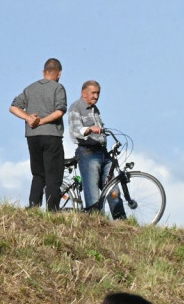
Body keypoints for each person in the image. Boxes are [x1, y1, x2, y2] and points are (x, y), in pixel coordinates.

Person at [9, 58, 67, 211]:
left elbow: (13, 107)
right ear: (59, 73)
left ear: (43, 72)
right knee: (53, 175)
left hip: (32, 136)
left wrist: (29, 118)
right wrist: (42, 121)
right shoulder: (58, 88)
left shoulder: (30, 88)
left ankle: (33, 206)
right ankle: (52, 210)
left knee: (38, 173)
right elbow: (60, 111)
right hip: (51, 135)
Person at [68, 80, 119, 213]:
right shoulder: (75, 107)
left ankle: (122, 221)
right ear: (83, 93)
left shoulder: (95, 109)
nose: (96, 96)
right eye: (93, 93)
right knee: (92, 192)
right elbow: (75, 129)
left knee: (113, 188)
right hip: (87, 153)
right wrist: (89, 129)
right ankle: (95, 221)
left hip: (102, 152)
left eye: (98, 93)